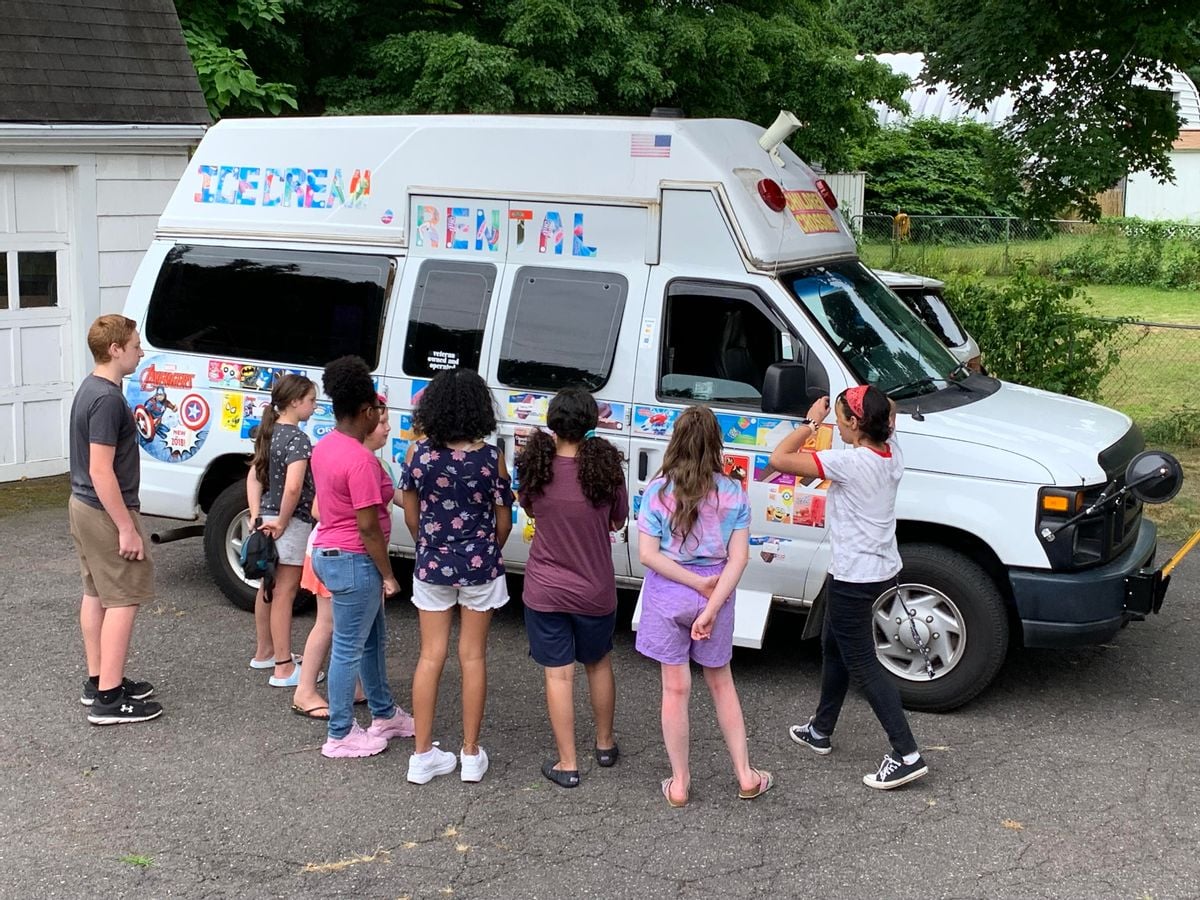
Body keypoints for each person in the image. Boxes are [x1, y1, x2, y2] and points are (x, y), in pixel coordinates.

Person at [768, 385, 928, 790]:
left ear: (857, 423)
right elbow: (888, 406)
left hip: (855, 577)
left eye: (840, 419)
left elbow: (778, 459)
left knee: (862, 663)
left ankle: (906, 754)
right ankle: (820, 729)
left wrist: (811, 423)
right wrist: (855, 401)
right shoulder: (892, 452)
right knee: (833, 645)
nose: (836, 426)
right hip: (875, 569)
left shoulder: (850, 462)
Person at [636, 405, 772, 806]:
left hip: (668, 592)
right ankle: (746, 775)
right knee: (721, 682)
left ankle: (679, 784)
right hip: (717, 590)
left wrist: (693, 581)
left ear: (675, 441)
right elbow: (739, 558)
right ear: (716, 444)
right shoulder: (733, 492)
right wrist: (711, 606)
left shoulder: (658, 491)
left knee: (675, 688)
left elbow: (647, 555)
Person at [399, 369, 514, 785]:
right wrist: (486, 549)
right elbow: (504, 521)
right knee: (473, 657)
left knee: (430, 656)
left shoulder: (418, 454)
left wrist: (430, 545)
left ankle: (421, 755)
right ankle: (470, 753)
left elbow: (410, 514)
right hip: (480, 564)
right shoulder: (491, 458)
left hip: (432, 563)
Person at [516, 388, 628, 788]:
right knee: (598, 663)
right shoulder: (606, 470)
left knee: (559, 676)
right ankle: (605, 744)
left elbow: (529, 507)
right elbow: (619, 520)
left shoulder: (536, 467)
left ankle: (568, 763)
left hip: (545, 589)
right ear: (591, 422)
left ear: (553, 422)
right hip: (595, 589)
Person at [309, 357, 410, 758]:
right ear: (367, 411)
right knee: (349, 647)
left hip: (330, 552)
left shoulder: (326, 446)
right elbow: (368, 527)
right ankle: (339, 733)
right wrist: (388, 574)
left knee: (371, 640)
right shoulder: (361, 461)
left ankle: (384, 713)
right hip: (354, 559)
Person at [69, 315, 161, 725]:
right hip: (105, 510)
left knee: (96, 592)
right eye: (136, 346)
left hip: (82, 505)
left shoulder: (90, 388)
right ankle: (109, 699)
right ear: (115, 349)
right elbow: (101, 470)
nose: (141, 352)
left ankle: (99, 681)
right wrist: (126, 527)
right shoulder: (106, 399)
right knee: (123, 597)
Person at [291, 399, 396, 719]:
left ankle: (363, 695)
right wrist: (387, 573)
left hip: (340, 554)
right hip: (345, 556)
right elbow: (325, 511)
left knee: (359, 633)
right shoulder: (359, 461)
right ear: (365, 422)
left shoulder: (354, 456)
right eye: (381, 421)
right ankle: (310, 696)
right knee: (333, 629)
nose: (387, 427)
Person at [246, 374, 319, 688]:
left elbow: (254, 477)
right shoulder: (298, 439)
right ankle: (283, 667)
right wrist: (284, 520)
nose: (314, 407)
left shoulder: (268, 432)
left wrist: (256, 514)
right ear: (295, 401)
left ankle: (265, 651)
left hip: (265, 517)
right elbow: (293, 487)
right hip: (290, 521)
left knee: (267, 587)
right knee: (285, 593)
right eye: (311, 400)